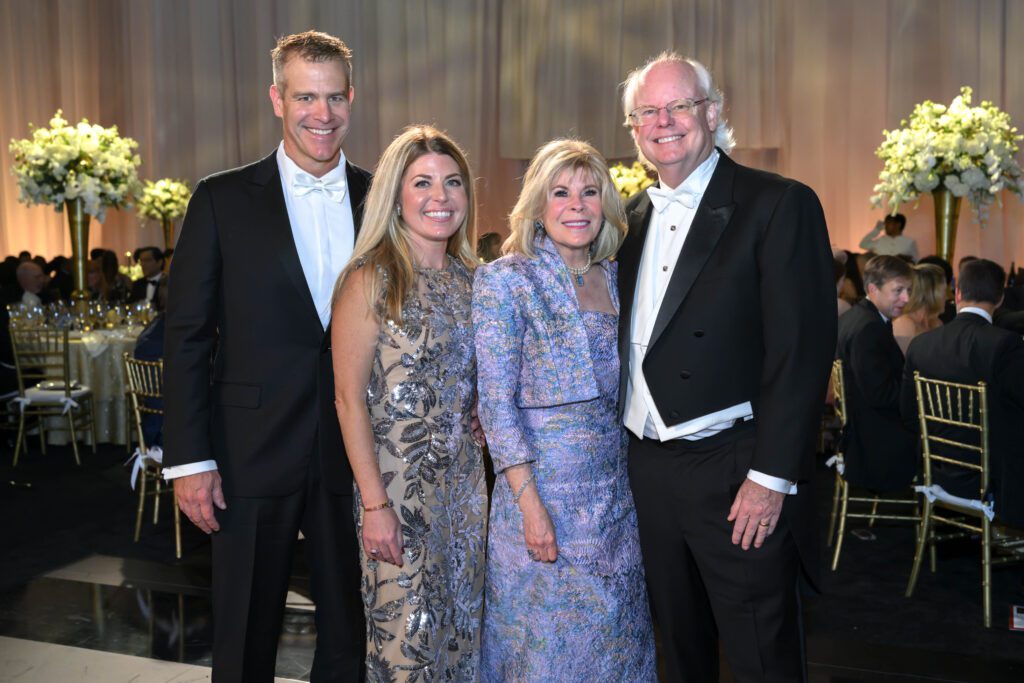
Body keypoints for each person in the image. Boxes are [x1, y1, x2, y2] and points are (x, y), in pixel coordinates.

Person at [617, 53, 835, 682]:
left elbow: (802, 352)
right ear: (634, 129)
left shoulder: (776, 203)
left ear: (711, 113)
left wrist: (771, 477)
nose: (664, 122)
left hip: (736, 470)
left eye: (679, 106)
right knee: (677, 650)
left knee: (759, 655)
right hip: (648, 468)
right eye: (647, 112)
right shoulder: (627, 218)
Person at [163, 30, 370, 681]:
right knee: (245, 627)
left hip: (356, 450)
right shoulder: (221, 198)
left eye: (334, 97)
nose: (322, 113)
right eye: (306, 96)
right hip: (249, 447)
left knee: (351, 628)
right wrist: (190, 460)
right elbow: (187, 335)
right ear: (276, 98)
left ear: (352, 98)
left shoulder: (383, 198)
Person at [474, 139, 656, 681]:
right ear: (538, 204)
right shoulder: (506, 279)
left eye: (589, 191)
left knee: (615, 644)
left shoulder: (625, 279)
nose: (576, 205)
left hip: (615, 502)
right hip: (537, 494)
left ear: (605, 205)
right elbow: (495, 405)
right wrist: (530, 507)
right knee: (542, 650)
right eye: (560, 192)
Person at [332, 125, 486, 680]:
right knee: (406, 647)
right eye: (422, 182)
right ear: (396, 195)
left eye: (452, 183)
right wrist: (375, 507)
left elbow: (479, 379)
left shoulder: (474, 280)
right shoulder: (371, 278)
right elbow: (348, 402)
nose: (439, 197)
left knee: (462, 636)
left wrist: (482, 413)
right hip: (396, 493)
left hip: (466, 493)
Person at [901, 258, 1024, 528]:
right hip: (995, 474)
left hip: (939, 469)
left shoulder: (921, 345)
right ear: (1001, 299)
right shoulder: (1005, 344)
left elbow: (909, 415)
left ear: (957, 293)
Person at [836, 255, 918, 492]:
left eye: (909, 290)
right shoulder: (869, 327)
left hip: (866, 427)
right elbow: (881, 395)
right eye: (898, 290)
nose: (906, 298)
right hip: (876, 439)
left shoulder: (856, 316)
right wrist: (921, 401)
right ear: (873, 288)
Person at [893, 263, 946, 354]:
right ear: (931, 294)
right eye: (944, 291)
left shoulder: (937, 323)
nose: (946, 296)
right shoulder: (903, 324)